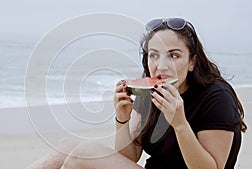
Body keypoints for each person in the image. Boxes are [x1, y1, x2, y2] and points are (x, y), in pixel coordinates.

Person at [26, 18, 247, 169]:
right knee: (66, 147)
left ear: (192, 62)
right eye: (154, 55)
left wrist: (180, 124)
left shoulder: (216, 98)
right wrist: (122, 119)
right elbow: (128, 157)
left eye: (174, 55)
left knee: (81, 154)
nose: (161, 66)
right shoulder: (148, 93)